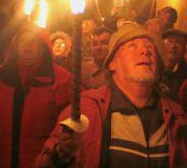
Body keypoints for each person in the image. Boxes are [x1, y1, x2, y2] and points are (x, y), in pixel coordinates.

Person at [34, 23, 187, 167]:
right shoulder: (86, 109)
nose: (145, 51)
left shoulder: (176, 116)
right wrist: (60, 155)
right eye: (132, 46)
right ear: (112, 64)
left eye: (150, 48)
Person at [0, 24, 72, 168]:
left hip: (41, 160)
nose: (28, 45)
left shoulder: (62, 80)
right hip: (2, 159)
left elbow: (70, 116)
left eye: (34, 42)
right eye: (24, 40)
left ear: (43, 47)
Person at [161, 28, 187, 100]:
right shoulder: (152, 65)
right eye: (169, 42)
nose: (173, 46)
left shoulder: (185, 75)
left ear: (185, 50)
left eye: (178, 43)